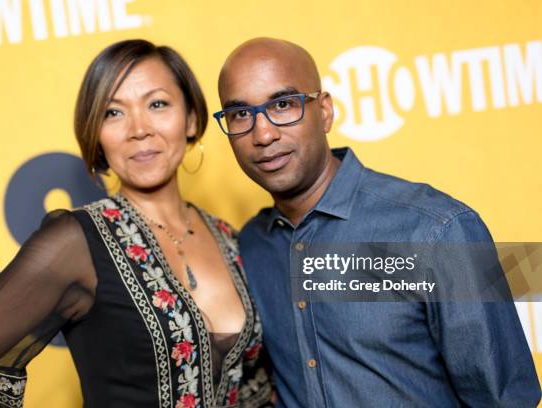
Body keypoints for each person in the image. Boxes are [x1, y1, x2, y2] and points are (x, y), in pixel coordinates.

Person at [0, 39, 272, 408]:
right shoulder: (77, 243)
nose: (138, 129)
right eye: (113, 112)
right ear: (97, 134)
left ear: (190, 119)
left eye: (157, 104)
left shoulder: (233, 241)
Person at [214, 37, 541, 407]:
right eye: (240, 114)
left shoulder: (440, 230)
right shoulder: (251, 247)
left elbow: (507, 400)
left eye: (284, 104)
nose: (263, 133)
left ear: (324, 111)